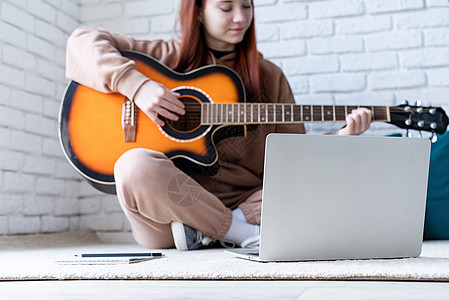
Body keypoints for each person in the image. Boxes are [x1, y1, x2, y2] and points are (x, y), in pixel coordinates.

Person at [66, 0, 372, 251]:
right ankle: (234, 230)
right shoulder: (167, 58)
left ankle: (218, 229)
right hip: (170, 221)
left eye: (247, 7)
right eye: (226, 8)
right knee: (132, 166)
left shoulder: (269, 76)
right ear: (198, 11)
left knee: (327, 190)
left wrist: (340, 137)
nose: (240, 18)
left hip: (250, 206)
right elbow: (82, 40)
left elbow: (294, 157)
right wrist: (136, 85)